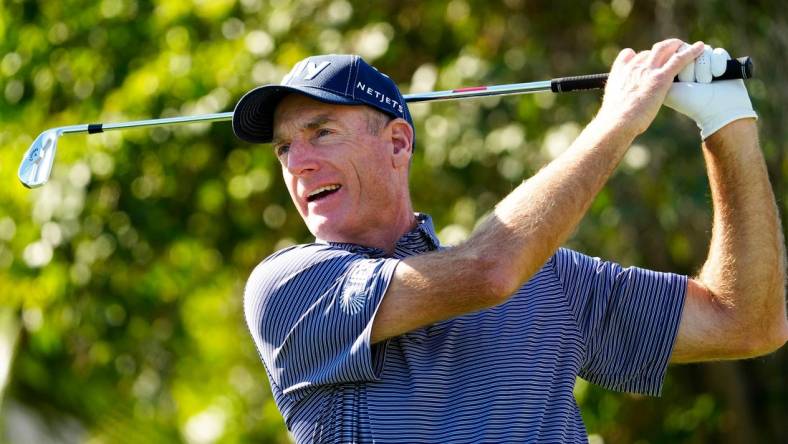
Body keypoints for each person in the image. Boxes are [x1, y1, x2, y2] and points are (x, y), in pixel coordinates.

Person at [232, 39, 787, 443]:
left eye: (321, 133)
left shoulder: (550, 279)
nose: (297, 164)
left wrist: (727, 121)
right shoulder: (287, 288)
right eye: (283, 149)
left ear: (398, 143)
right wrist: (618, 119)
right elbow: (489, 272)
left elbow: (748, 322)